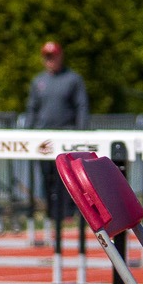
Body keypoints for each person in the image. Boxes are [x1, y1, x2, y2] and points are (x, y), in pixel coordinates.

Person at [26, 40, 90, 224]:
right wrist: (27, 133)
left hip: (66, 135)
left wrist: (81, 132)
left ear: (60, 56)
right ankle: (52, 213)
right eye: (47, 57)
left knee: (67, 176)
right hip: (43, 137)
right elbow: (32, 108)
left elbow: (81, 106)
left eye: (53, 56)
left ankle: (68, 213)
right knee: (47, 176)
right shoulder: (38, 81)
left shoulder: (73, 79)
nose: (51, 60)